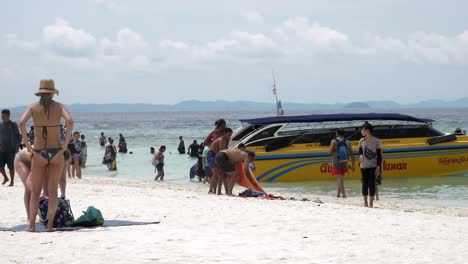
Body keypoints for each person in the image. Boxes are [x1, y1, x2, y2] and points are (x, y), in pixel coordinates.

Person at [19, 79, 73, 232]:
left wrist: (28, 146)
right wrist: (65, 144)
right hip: (56, 151)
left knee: (35, 191)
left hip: (39, 151)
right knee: (53, 191)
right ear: (52, 93)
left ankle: (31, 226)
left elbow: (21, 123)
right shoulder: (59, 106)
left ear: (40, 93)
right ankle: (50, 226)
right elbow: (70, 121)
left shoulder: (33, 107)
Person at [359, 122, 383, 208]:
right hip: (363, 166)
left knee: (371, 184)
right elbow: (360, 150)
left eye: (362, 129)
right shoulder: (361, 140)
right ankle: (365, 203)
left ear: (367, 130)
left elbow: (379, 155)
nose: (361, 131)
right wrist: (361, 155)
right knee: (364, 184)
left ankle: (371, 203)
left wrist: (378, 167)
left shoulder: (376, 141)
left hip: (373, 166)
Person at [329, 129, 355, 198]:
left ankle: (344, 195)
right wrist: (353, 164)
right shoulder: (347, 141)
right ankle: (338, 194)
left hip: (337, 161)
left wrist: (336, 156)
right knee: (341, 178)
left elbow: (330, 152)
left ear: (337, 133)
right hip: (345, 161)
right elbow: (352, 153)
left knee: (339, 178)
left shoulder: (333, 141)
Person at [208, 128, 233, 194]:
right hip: (213, 155)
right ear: (224, 133)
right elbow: (222, 151)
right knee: (216, 173)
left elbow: (225, 150)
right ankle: (211, 189)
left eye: (231, 135)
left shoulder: (225, 140)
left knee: (221, 174)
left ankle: (218, 191)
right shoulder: (221, 140)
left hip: (219, 155)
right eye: (228, 134)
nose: (229, 136)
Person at [0, 109, 21, 186]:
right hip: (2, 149)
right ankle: (6, 178)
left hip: (11, 149)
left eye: (4, 116)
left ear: (8, 116)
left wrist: (17, 146)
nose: (2, 117)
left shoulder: (13, 124)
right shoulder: (0, 125)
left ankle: (12, 181)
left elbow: (18, 136)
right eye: (1, 116)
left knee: (11, 166)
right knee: (0, 166)